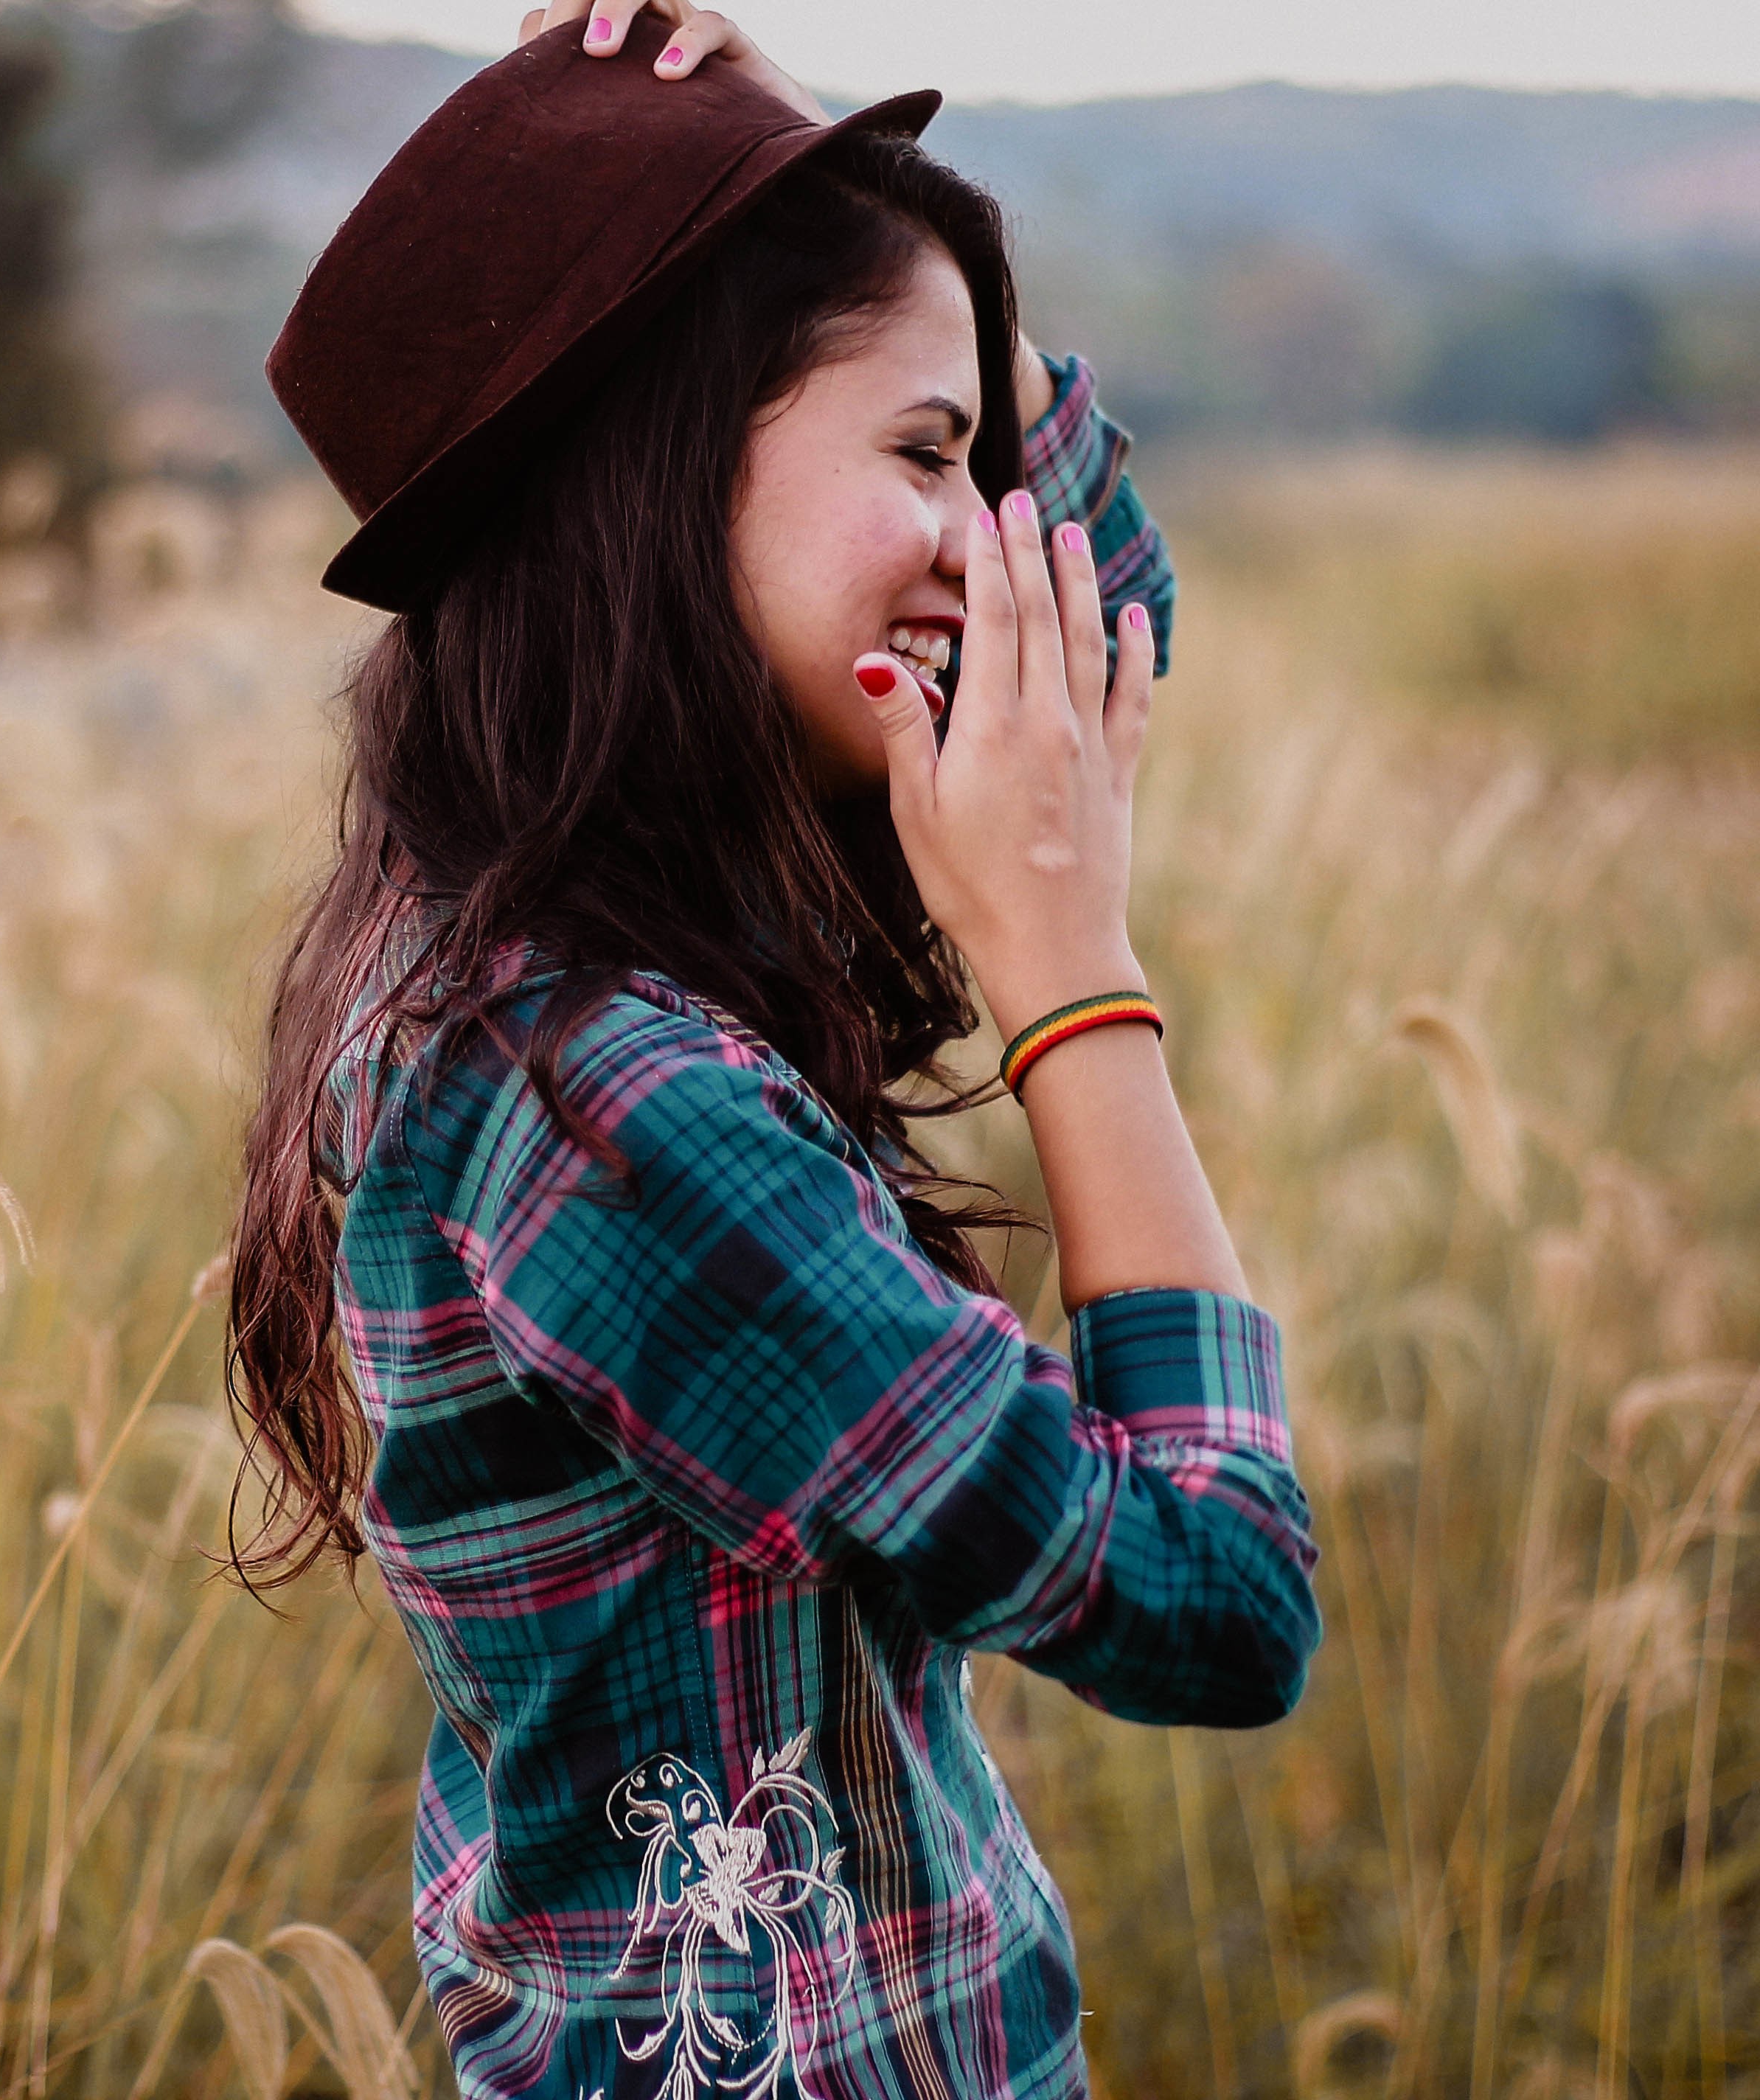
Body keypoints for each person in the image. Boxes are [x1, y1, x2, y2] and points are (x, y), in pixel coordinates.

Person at [226, 7, 1321, 2094]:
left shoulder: (513, 945)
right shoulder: (604, 1103)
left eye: (975, 460)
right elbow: (1217, 1594)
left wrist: (796, 170)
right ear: (651, 462)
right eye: (922, 459)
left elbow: (1096, 609)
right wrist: (1076, 976)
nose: (981, 534)